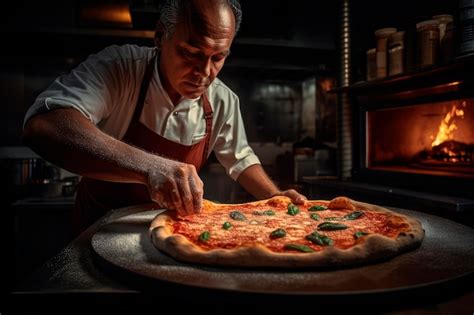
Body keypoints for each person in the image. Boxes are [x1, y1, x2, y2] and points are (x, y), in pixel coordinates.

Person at [22, 0, 307, 234]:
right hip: (99, 229)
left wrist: (274, 198)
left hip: (178, 232)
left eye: (218, 57)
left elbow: (241, 159)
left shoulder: (222, 99)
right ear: (160, 35)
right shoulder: (120, 68)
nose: (204, 72)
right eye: (190, 53)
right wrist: (150, 167)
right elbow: (45, 124)